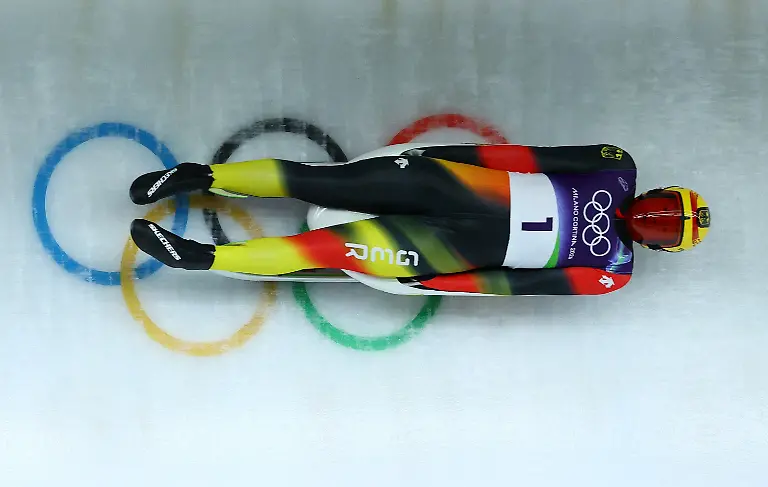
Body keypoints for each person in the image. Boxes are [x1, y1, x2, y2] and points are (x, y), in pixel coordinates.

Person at [128, 144, 711, 295]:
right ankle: (200, 179)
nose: (649, 220)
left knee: (332, 245)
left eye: (660, 224)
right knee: (322, 182)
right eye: (661, 213)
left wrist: (442, 282)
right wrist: (448, 160)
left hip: (449, 234)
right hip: (452, 204)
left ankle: (205, 255)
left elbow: (524, 283)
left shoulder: (613, 268)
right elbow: (534, 159)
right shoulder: (616, 173)